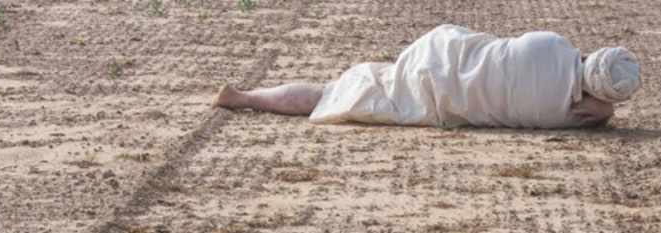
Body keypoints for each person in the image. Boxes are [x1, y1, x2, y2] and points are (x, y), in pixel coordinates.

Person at [214, 24, 638, 129]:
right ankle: (249, 98)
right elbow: (597, 113)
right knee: (336, 95)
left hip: (443, 51)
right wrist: (604, 111)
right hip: (440, 99)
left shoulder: (550, 44)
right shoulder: (561, 114)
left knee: (355, 81)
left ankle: (248, 94)